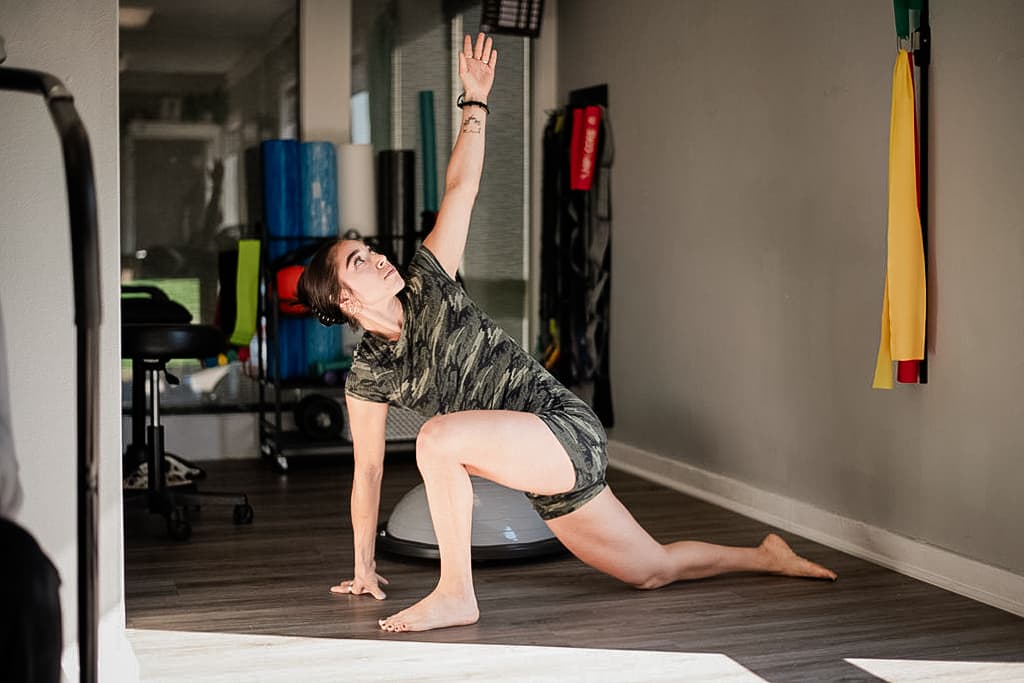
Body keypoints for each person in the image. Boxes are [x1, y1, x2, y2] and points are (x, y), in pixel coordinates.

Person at [297, 33, 836, 634]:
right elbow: (366, 472)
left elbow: (461, 188)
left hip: (562, 427)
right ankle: (764, 555)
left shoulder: (429, 279)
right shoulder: (368, 374)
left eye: (370, 250)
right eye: (358, 262)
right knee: (650, 569)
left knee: (435, 438)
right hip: (544, 476)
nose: (377, 259)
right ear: (344, 301)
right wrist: (363, 567)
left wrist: (474, 103)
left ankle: (456, 594)